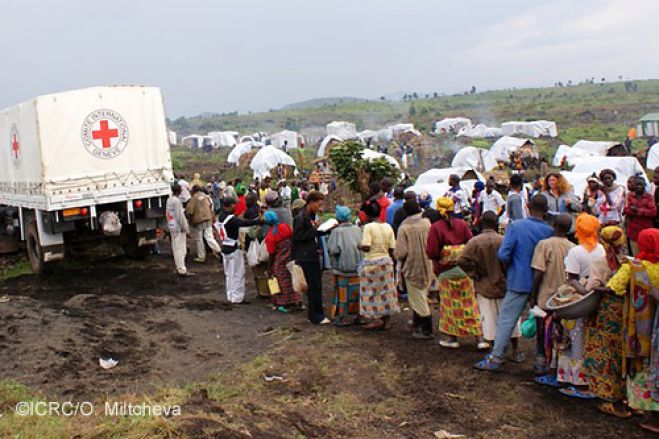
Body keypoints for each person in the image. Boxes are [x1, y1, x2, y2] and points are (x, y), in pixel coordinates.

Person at [474, 195, 553, 371]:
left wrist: (511, 267)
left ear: (527, 207)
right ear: (546, 210)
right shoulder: (549, 231)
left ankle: (496, 358)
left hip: (518, 280)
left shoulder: (516, 227)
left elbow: (503, 254)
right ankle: (541, 361)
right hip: (541, 284)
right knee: (542, 322)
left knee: (507, 320)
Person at [605, 229, 659, 433]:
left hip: (639, 326)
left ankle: (650, 413)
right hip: (656, 324)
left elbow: (613, 287)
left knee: (641, 364)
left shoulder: (634, 267)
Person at [583, 226, 629, 418]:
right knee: (621, 351)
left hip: (605, 313)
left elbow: (592, 287)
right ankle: (625, 395)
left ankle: (608, 397)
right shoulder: (630, 262)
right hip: (625, 312)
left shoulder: (599, 263)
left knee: (603, 352)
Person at [556, 214, 605, 397]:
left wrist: (583, 293)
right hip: (597, 301)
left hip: (578, 302)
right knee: (591, 340)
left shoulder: (576, 252)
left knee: (575, 339)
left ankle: (578, 382)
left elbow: (572, 278)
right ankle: (593, 381)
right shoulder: (602, 250)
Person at [458, 212, 516, 351]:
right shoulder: (503, 240)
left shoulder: (475, 242)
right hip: (505, 285)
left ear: (481, 224)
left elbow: (461, 260)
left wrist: (474, 273)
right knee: (511, 320)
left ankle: (494, 353)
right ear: (496, 224)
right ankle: (515, 351)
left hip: (484, 286)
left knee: (489, 321)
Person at [426, 197, 475, 348]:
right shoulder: (462, 224)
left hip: (446, 272)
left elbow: (432, 251)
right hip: (464, 271)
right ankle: (479, 339)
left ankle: (452, 339)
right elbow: (471, 243)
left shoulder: (435, 227)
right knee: (469, 304)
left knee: (449, 305)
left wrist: (446, 254)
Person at [530, 214, 575, 378]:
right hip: (565, 299)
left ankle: (542, 362)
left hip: (545, 296)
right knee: (560, 333)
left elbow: (538, 272)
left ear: (553, 225)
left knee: (542, 331)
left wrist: (532, 295)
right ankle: (558, 366)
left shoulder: (544, 244)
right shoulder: (572, 247)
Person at [395, 198, 434, 339]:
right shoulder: (427, 223)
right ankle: (417, 324)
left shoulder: (404, 227)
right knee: (422, 294)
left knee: (417, 297)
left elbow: (400, 252)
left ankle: (426, 329)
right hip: (428, 264)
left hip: (412, 266)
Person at [358, 200, 399, 330]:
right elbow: (392, 248)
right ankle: (386, 320)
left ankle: (375, 319)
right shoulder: (388, 227)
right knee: (386, 293)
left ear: (367, 215)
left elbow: (366, 247)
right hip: (386, 263)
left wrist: (358, 245)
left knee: (371, 292)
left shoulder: (369, 227)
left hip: (372, 264)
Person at [292, 191, 331, 325]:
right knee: (314, 285)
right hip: (306, 256)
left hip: (312, 252)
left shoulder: (310, 215)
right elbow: (297, 237)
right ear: (311, 202)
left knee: (316, 285)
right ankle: (317, 316)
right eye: (318, 204)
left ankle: (314, 313)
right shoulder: (301, 218)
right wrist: (316, 230)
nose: (319, 208)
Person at [216, 197, 262, 304]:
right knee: (238, 273)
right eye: (234, 204)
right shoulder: (232, 219)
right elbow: (245, 223)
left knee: (229, 274)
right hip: (234, 248)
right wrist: (259, 220)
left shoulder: (221, 217)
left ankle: (230, 295)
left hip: (225, 246)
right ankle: (237, 297)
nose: (235, 206)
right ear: (230, 205)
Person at [327, 206, 363, 326]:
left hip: (342, 268)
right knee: (358, 293)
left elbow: (333, 250)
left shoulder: (336, 232)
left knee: (342, 295)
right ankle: (359, 316)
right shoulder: (358, 229)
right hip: (358, 267)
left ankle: (342, 317)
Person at [264, 210, 302, 312]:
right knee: (292, 279)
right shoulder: (285, 227)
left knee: (280, 282)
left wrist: (269, 268)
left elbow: (272, 254)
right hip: (290, 258)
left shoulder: (270, 236)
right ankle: (296, 300)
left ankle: (283, 303)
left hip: (279, 261)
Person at [185, 185, 221, 263]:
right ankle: (219, 252)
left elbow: (190, 211)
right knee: (209, 237)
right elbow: (211, 206)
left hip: (199, 220)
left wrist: (188, 217)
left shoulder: (193, 199)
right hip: (208, 219)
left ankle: (201, 257)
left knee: (199, 239)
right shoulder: (206, 197)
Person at [624, 176, 656, 255]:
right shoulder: (630, 196)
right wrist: (643, 211)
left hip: (646, 228)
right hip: (633, 229)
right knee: (636, 254)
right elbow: (626, 210)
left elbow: (653, 212)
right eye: (637, 185)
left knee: (647, 253)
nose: (639, 187)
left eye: (641, 185)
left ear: (644, 185)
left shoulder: (649, 197)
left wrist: (637, 210)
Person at [166, 185, 192, 276]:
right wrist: (186, 229)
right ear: (180, 191)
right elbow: (180, 217)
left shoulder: (169, 200)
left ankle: (179, 267)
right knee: (180, 249)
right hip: (178, 228)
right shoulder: (177, 202)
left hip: (172, 226)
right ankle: (182, 269)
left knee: (176, 247)